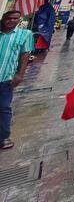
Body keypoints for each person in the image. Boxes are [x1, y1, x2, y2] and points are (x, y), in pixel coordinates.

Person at [0, 10, 34, 150]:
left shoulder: (25, 34)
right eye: (9, 18)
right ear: (3, 19)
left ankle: (3, 137)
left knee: (3, 107)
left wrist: (20, 74)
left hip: (6, 78)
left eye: (15, 19)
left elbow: (24, 55)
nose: (12, 21)